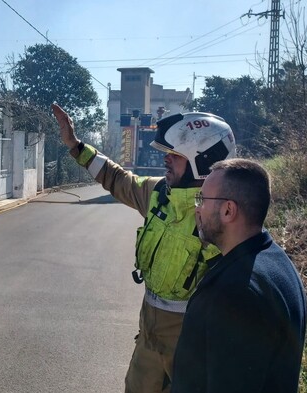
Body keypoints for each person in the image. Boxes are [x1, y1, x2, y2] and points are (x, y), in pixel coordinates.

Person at [51, 103, 237, 393]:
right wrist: (75, 146)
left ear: (203, 160)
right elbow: (117, 178)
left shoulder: (222, 216)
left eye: (174, 155)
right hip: (148, 334)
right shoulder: (159, 193)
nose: (165, 161)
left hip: (191, 344)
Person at [171, 158, 307, 393]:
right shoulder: (276, 261)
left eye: (202, 199)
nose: (197, 208)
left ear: (228, 210)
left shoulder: (235, 293)